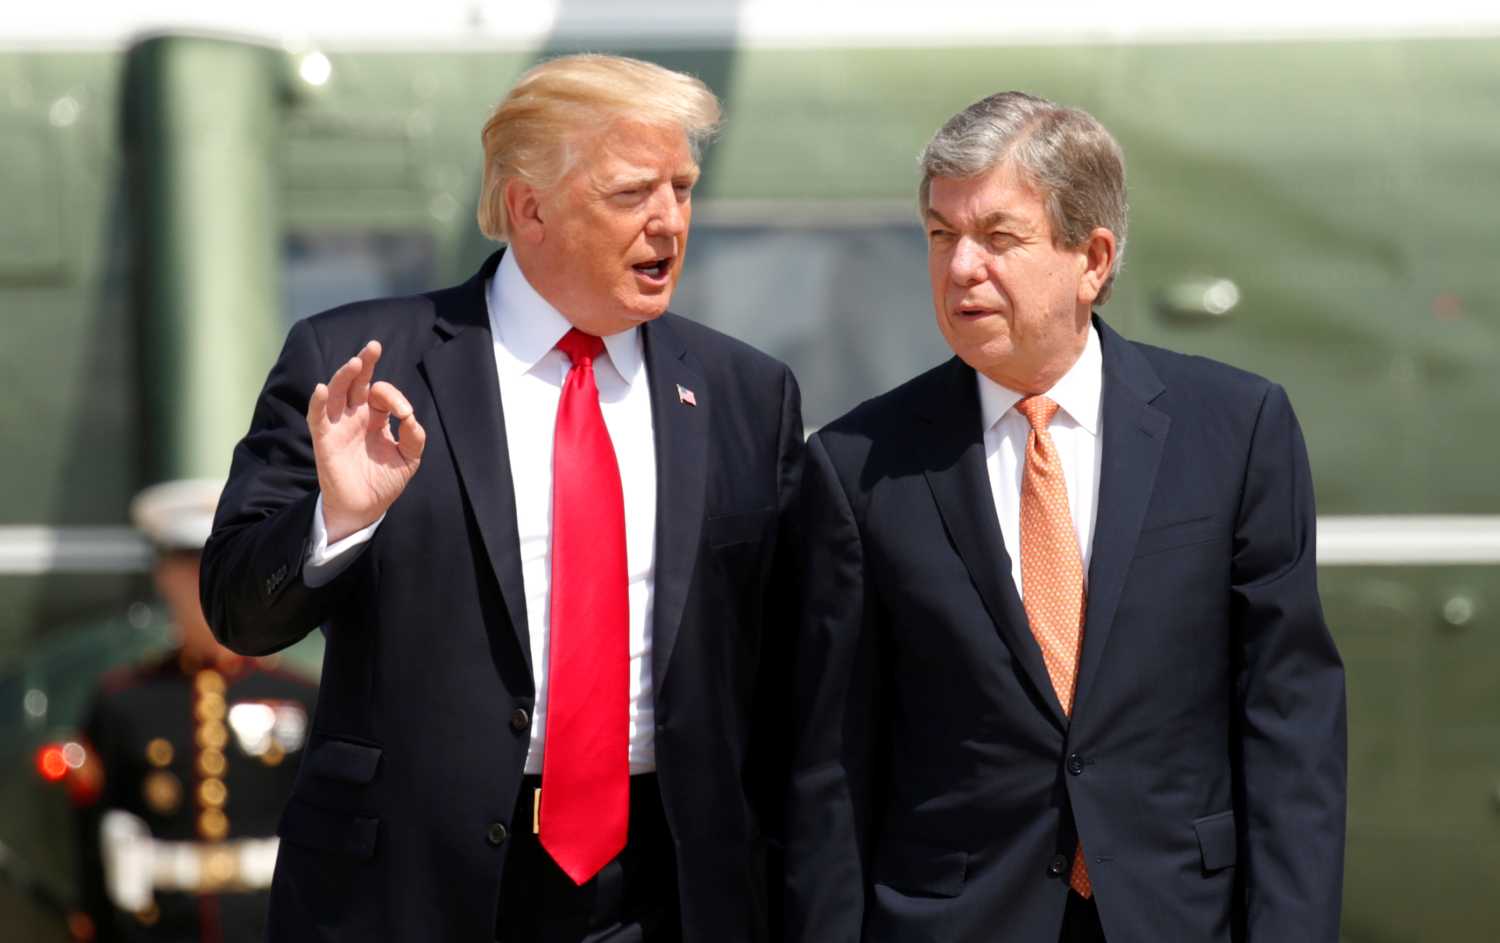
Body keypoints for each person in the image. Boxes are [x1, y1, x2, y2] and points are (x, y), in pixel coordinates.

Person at [200, 55, 802, 942]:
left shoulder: (746, 393)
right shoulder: (361, 364)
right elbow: (237, 614)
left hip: (670, 890)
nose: (671, 220)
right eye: (633, 192)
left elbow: (790, 669)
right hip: (414, 888)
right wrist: (339, 521)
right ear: (530, 208)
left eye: (682, 187)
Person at [785, 92, 1346, 942]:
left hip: (1180, 914)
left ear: (1092, 258)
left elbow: (1289, 722)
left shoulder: (1234, 430)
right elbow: (830, 766)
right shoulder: (861, 464)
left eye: (998, 237)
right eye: (941, 235)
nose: (961, 266)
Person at [73, 478, 316, 942]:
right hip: (159, 925)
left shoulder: (301, 696)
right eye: (187, 564)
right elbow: (96, 827)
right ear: (163, 575)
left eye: (215, 563)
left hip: (274, 921)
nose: (201, 582)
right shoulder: (123, 700)